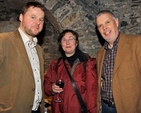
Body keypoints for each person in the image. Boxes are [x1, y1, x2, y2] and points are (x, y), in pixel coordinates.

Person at [0, 1, 45, 113]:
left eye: (41, 19)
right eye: (33, 17)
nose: (37, 22)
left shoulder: (38, 49)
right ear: (21, 17)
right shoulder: (3, 41)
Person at [95, 10, 141, 113]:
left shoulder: (136, 43)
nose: (104, 28)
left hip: (129, 108)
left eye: (107, 22)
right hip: (105, 107)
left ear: (116, 22)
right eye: (100, 25)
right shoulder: (100, 54)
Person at [44, 29, 97, 113]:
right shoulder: (55, 64)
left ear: (76, 43)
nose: (67, 42)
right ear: (61, 44)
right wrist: (52, 87)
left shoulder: (87, 64)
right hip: (58, 109)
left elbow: (92, 93)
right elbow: (46, 85)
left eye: (71, 39)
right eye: (64, 40)